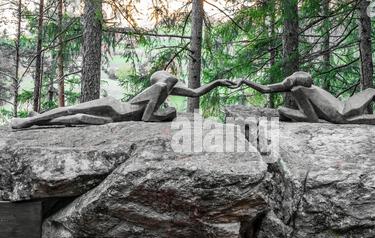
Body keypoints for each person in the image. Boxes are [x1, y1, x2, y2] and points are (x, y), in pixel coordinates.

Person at [11, 70, 236, 129]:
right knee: (72, 111)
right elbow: (147, 118)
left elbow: (195, 93)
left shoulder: (164, 92)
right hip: (114, 108)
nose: (174, 83)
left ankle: (39, 119)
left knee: (78, 117)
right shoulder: (158, 88)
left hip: (116, 118)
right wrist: (165, 113)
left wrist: (216, 83)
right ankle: (29, 121)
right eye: (171, 80)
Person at [236, 71, 375, 126]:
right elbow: (265, 88)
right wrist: (245, 81)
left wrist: (284, 112)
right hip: (342, 113)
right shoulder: (296, 87)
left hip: (343, 110)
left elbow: (312, 119)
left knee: (372, 94)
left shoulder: (299, 87)